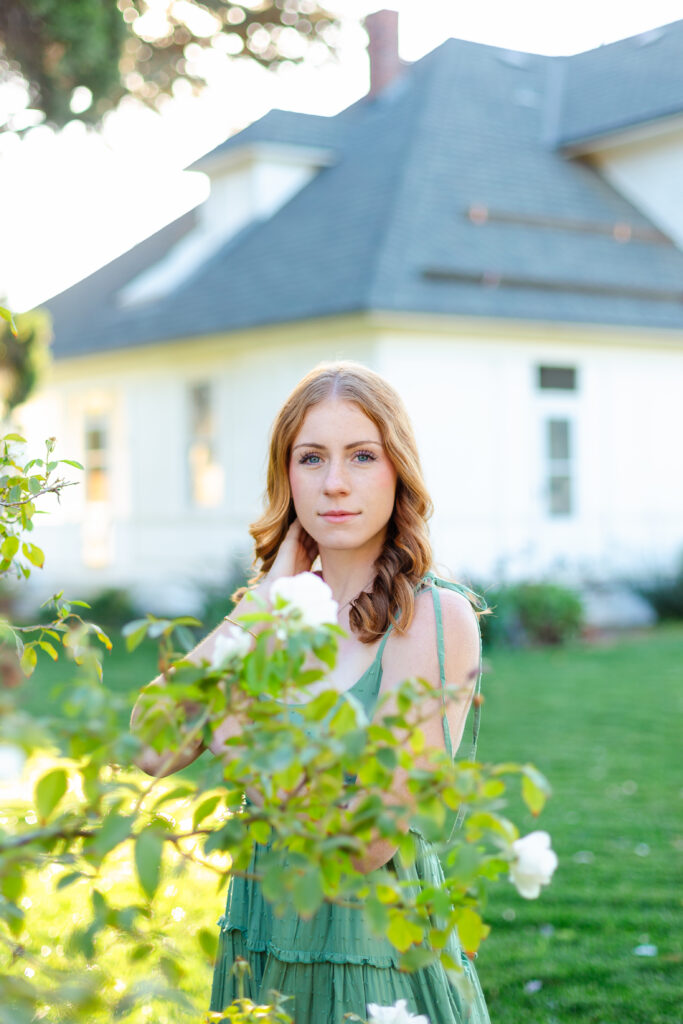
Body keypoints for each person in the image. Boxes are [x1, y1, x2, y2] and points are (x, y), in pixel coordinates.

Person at [131, 361, 491, 1024]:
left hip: (370, 948)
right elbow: (149, 747)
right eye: (310, 458)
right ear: (285, 475)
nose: (333, 483)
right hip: (262, 935)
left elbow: (367, 840)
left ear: (398, 470)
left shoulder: (432, 618)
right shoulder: (267, 615)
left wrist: (241, 743)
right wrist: (261, 609)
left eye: (361, 456)